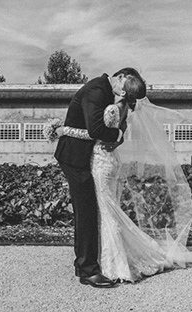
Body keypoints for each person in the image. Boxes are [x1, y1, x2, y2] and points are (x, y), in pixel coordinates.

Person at [55, 83, 192, 284]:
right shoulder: (116, 104)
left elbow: (96, 131)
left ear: (125, 90)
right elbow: (107, 131)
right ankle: (98, 262)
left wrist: (64, 130)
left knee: (102, 212)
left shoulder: (112, 106)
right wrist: (117, 135)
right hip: (103, 161)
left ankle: (100, 265)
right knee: (101, 211)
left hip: (101, 162)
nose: (117, 85)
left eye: (122, 83)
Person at [54, 68, 147, 288]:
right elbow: (95, 128)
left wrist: (119, 134)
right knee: (86, 212)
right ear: (121, 76)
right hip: (74, 157)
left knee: (91, 210)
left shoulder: (107, 92)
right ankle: (88, 271)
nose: (123, 95)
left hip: (89, 157)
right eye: (123, 90)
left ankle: (85, 265)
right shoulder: (96, 89)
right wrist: (118, 135)